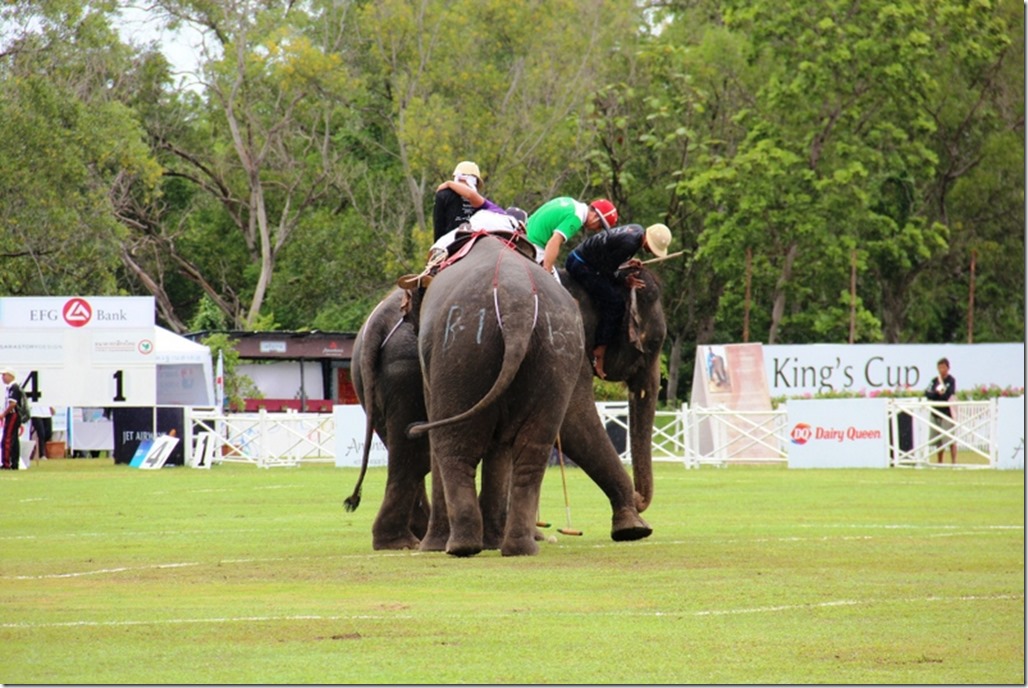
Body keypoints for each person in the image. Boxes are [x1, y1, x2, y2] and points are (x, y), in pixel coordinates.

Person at [565, 223, 671, 379]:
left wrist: (627, 263)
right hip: (581, 265)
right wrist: (624, 280)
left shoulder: (636, 230)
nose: (651, 252)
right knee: (615, 303)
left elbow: (609, 253)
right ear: (648, 241)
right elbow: (607, 269)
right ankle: (599, 351)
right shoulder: (629, 244)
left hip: (581, 257)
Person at [525, 197, 618, 277]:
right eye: (600, 226)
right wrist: (547, 270)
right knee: (556, 287)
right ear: (595, 216)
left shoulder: (570, 202)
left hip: (524, 234)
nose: (597, 230)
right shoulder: (577, 217)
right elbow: (554, 241)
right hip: (535, 245)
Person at [433, 161, 483, 240]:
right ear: (475, 181)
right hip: (475, 240)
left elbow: (439, 226)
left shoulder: (442, 195)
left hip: (449, 242)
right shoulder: (480, 200)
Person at [925, 357, 957, 463]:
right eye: (939, 367)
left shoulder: (951, 380)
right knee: (938, 440)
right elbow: (927, 393)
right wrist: (936, 393)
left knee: (950, 439)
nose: (941, 369)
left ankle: (954, 462)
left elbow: (948, 394)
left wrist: (941, 394)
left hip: (947, 413)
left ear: (948, 368)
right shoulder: (934, 381)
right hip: (936, 412)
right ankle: (940, 462)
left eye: (943, 367)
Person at [1, 367, 25, 470]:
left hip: (13, 415)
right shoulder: (11, 388)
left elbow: (12, 404)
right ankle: (14, 463)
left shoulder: (13, 387)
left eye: (4, 375)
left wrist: (3, 414)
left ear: (11, 376)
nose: (2, 377)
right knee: (14, 439)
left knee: (7, 439)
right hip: (13, 415)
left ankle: (7, 463)